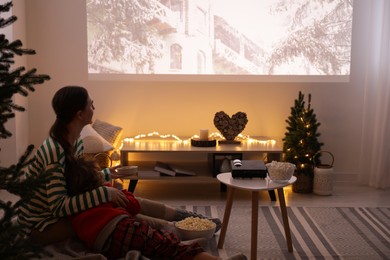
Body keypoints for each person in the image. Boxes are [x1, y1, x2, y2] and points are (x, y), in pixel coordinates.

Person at [17, 86, 220, 246]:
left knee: (123, 198)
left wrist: (107, 174)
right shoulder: (55, 150)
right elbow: (59, 206)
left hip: (58, 213)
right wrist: (104, 195)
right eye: (91, 105)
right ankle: (176, 232)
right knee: (116, 209)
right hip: (43, 225)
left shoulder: (75, 141)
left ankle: (185, 219)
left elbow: (75, 182)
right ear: (79, 114)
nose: (94, 109)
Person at [65, 156, 247, 260]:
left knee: (158, 246)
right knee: (168, 246)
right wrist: (120, 190)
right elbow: (133, 205)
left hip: (104, 245)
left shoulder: (73, 204)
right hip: (123, 229)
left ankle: (179, 240)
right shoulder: (103, 193)